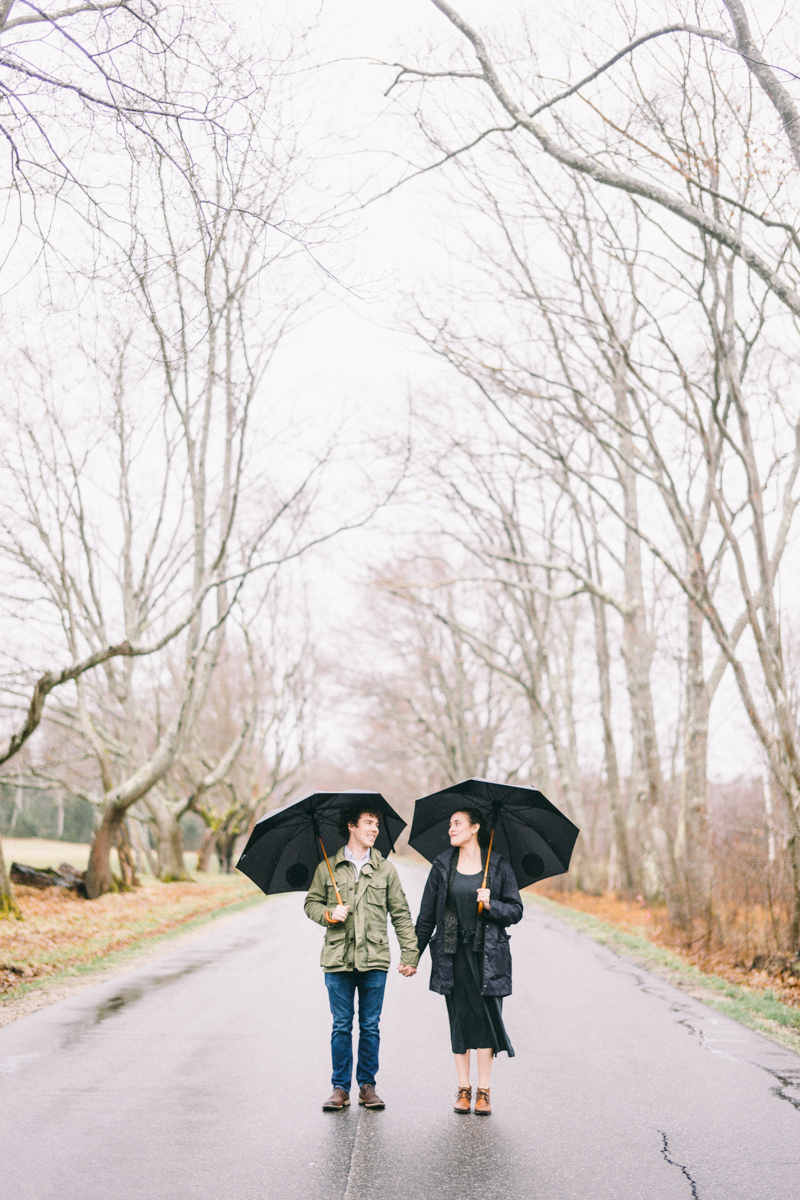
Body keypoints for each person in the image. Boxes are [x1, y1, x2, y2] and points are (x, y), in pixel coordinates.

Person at [304, 801, 419, 1112]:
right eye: (368, 823)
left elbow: (401, 914)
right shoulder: (327, 867)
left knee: (370, 1025)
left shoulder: (385, 869)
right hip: (337, 960)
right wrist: (329, 913)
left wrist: (411, 953)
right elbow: (311, 904)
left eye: (377, 825)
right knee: (341, 1024)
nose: (374, 829)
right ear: (351, 826)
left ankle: (367, 1086)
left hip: (374, 959)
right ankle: (339, 1088)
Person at [415, 808, 522, 1116]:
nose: (451, 828)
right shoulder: (442, 865)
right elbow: (426, 918)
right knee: (460, 1019)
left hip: (488, 956)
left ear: (475, 827)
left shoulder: (498, 865)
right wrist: (413, 956)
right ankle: (463, 1088)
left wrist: (492, 904)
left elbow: (516, 910)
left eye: (457, 823)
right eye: (450, 824)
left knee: (488, 1019)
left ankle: (484, 1091)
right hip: (453, 955)